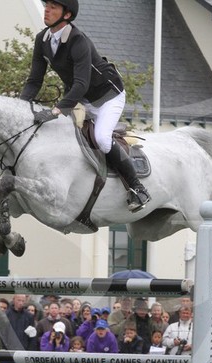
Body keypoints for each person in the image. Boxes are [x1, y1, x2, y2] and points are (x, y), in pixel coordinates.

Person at [20, 0, 151, 211]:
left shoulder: (78, 40)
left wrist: (56, 110)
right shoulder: (42, 40)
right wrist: (20, 106)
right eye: (47, 6)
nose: (47, 10)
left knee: (101, 138)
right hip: (81, 98)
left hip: (107, 97)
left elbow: (81, 83)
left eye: (53, 7)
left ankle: (137, 188)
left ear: (67, 15)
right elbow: (35, 80)